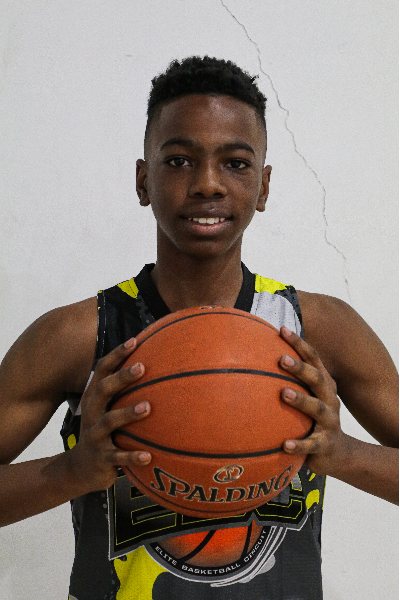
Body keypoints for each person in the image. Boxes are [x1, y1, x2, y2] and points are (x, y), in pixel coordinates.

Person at [0, 56, 398, 600]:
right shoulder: (77, 336)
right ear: (143, 179)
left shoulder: (321, 330)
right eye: (179, 160)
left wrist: (345, 454)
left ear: (263, 186)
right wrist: (73, 470)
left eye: (235, 163)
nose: (207, 184)